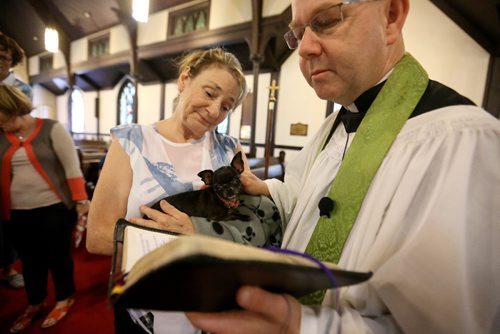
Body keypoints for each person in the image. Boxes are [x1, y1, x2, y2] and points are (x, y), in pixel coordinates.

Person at [186, 0, 500, 333]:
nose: (304, 48)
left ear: (391, 16)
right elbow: (302, 201)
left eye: (326, 20)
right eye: (297, 33)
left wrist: (298, 326)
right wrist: (265, 188)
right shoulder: (331, 128)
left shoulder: (461, 141)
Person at [86, 48, 282, 333]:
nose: (216, 111)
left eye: (226, 106)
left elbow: (251, 224)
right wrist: (178, 238)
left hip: (213, 307)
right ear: (184, 79)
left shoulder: (229, 149)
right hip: (145, 303)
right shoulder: (131, 142)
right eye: (210, 93)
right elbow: (99, 237)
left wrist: (200, 232)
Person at [0, 84, 90, 332]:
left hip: (55, 208)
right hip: (17, 212)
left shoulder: (51, 128)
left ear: (9, 107)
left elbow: (72, 168)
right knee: (29, 261)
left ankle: (64, 298)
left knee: (58, 257)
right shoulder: (1, 135)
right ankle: (35, 303)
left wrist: (82, 201)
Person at [0, 32, 32, 291]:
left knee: (8, 215)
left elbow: (22, 124)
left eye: (3, 57)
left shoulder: (21, 88)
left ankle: (8, 267)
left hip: (10, 155)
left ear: (12, 61)